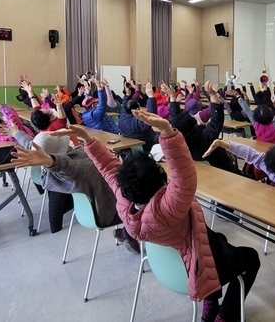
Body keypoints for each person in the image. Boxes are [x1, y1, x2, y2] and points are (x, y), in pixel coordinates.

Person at [55, 112, 259, 322]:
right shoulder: (170, 206)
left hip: (175, 261)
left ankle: (210, 301)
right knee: (251, 258)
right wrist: (168, 133)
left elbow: (108, 168)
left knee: (219, 238)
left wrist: (87, 139)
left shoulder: (125, 203)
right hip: (196, 263)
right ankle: (224, 318)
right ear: (159, 176)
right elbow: (183, 175)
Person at [6, 126, 137, 252]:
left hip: (86, 211)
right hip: (107, 210)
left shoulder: (50, 170)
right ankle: (128, 234)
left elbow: (31, 144)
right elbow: (67, 167)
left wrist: (16, 133)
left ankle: (125, 233)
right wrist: (50, 161)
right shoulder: (77, 168)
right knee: (139, 200)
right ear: (64, 150)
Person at [118, 79, 160, 153]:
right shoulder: (137, 122)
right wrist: (151, 97)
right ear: (136, 109)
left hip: (131, 146)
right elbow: (151, 116)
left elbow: (125, 104)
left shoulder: (123, 115)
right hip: (147, 146)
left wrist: (127, 94)